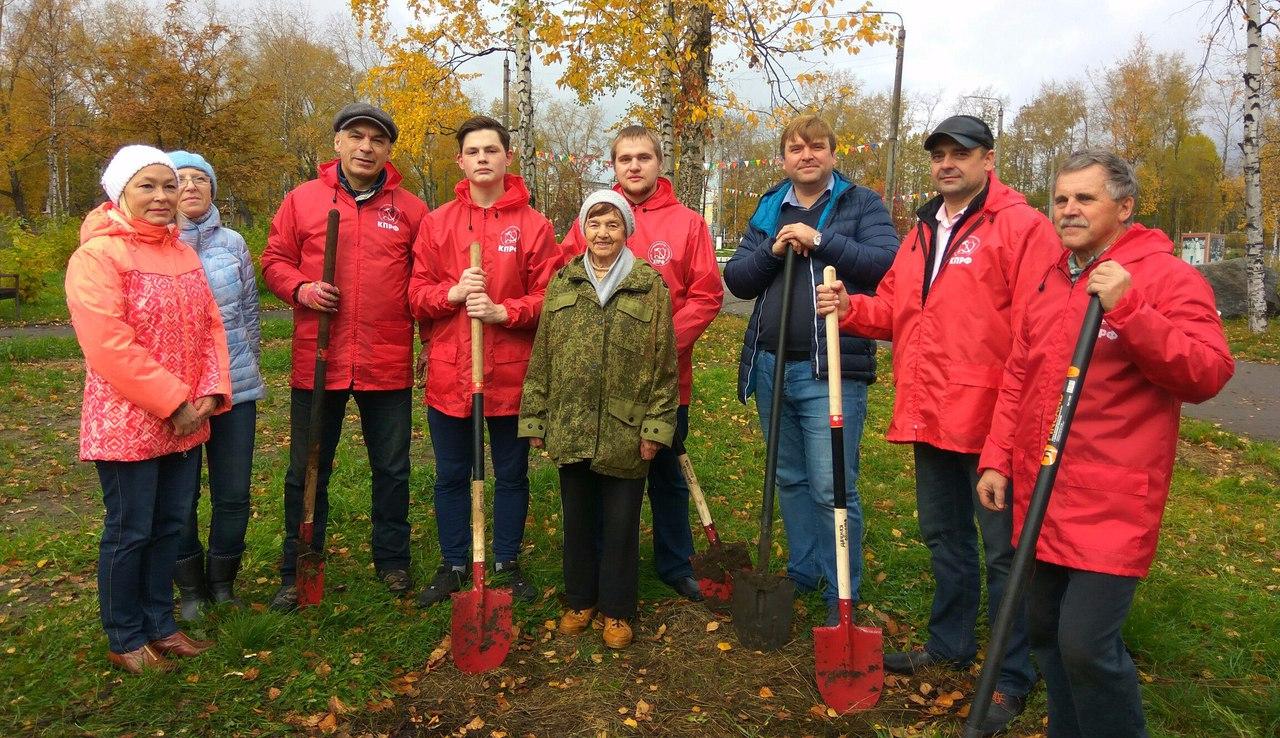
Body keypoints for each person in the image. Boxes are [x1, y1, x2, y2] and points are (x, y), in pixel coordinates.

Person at [977, 149, 1233, 738]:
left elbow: (1208, 372)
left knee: (1086, 644)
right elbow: (1019, 375)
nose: (1068, 210)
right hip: (1040, 488)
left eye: (1084, 198)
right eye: (1061, 199)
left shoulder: (1165, 276)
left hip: (1111, 496)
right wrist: (994, 457)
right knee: (1043, 631)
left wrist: (1132, 309)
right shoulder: (1052, 276)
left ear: (1125, 206)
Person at [816, 115, 1052, 733]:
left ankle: (1011, 675)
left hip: (994, 418)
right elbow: (896, 305)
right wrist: (852, 307)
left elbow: (1038, 331)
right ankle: (949, 645)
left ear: (988, 160)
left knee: (1003, 552)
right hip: (931, 410)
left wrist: (1012, 429)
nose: (948, 164)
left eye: (961, 154)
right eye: (939, 154)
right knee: (945, 538)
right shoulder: (922, 231)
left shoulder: (1021, 228)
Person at [723, 114, 898, 625]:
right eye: (796, 148)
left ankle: (840, 585)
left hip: (831, 372)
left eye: (816, 147)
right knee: (790, 477)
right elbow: (738, 279)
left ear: (832, 154)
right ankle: (803, 569)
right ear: (784, 158)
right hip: (771, 367)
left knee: (831, 486)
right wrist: (776, 250)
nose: (806, 155)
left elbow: (885, 262)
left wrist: (821, 241)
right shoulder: (769, 207)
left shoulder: (859, 204)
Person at [66, 145, 231, 673]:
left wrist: (209, 391)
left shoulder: (181, 251)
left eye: (168, 186)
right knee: (130, 529)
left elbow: (210, 327)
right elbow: (108, 343)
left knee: (170, 525)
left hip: (186, 418)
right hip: (128, 421)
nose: (163, 197)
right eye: (148, 186)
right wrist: (174, 401)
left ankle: (161, 624)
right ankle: (126, 635)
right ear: (120, 192)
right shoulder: (98, 255)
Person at [261, 102, 429, 610]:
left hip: (386, 358)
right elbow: (273, 260)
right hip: (320, 357)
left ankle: (393, 561)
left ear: (388, 151)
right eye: (356, 136)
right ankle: (298, 568)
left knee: (393, 468)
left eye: (376, 140)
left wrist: (425, 344)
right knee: (308, 468)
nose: (365, 147)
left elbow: (424, 281)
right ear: (337, 143)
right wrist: (301, 289)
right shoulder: (303, 201)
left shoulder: (411, 210)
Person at [559, 125, 723, 601]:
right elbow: (567, 282)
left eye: (644, 157)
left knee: (667, 473)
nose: (634, 166)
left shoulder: (687, 224)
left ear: (659, 163)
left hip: (664, 381)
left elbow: (706, 295)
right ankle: (602, 561)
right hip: (598, 383)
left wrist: (662, 345)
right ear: (613, 166)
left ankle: (675, 561)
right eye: (625, 158)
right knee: (601, 473)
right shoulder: (593, 218)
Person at [408, 115, 560, 607]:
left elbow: (549, 298)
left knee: (512, 474)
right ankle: (455, 562)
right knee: (452, 474)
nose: (482, 159)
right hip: (452, 375)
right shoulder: (437, 223)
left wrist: (503, 311)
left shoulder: (534, 226)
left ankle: (506, 561)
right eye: (473, 151)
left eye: (491, 150)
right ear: (461, 160)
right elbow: (415, 295)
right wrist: (451, 293)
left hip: (511, 376)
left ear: (507, 157)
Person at [519, 189, 679, 649]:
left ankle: (617, 610)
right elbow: (543, 353)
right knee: (578, 517)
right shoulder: (564, 282)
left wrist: (655, 430)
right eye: (594, 223)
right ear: (582, 229)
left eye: (612, 225)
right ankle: (580, 600)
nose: (603, 233)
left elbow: (665, 365)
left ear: (626, 230)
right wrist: (535, 417)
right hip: (571, 423)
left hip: (625, 428)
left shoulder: (649, 285)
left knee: (621, 520)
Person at [167, 150, 263, 619]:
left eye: (199, 179)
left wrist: (248, 369)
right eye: (178, 179)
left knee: (232, 491)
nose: (189, 187)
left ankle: (223, 582)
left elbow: (249, 313)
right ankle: (190, 589)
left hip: (234, 390)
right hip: (178, 396)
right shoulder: (154, 247)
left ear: (211, 189)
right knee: (180, 495)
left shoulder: (234, 244)